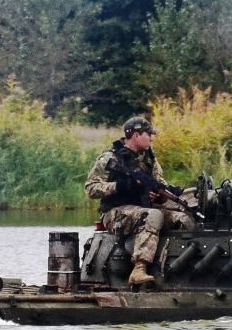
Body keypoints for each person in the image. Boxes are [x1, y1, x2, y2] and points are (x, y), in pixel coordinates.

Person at [84, 116, 195, 286]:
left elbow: (159, 184)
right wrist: (120, 186)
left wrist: (159, 195)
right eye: (148, 134)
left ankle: (173, 271)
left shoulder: (149, 158)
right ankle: (139, 269)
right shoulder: (110, 158)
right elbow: (90, 188)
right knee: (152, 216)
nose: (151, 138)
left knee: (184, 219)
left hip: (142, 208)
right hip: (115, 213)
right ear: (136, 135)